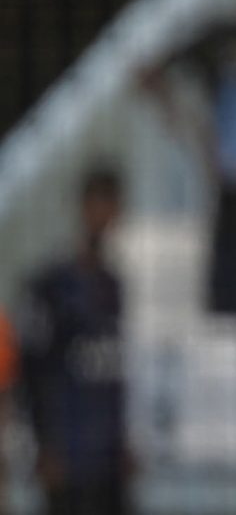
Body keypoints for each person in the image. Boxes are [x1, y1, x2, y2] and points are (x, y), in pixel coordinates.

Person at [17, 168, 129, 515]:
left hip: (106, 460)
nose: (105, 217)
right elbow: (34, 370)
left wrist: (122, 442)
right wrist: (45, 445)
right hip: (68, 456)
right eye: (98, 204)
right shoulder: (53, 285)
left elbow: (111, 372)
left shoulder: (112, 284)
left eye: (112, 206)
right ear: (83, 208)